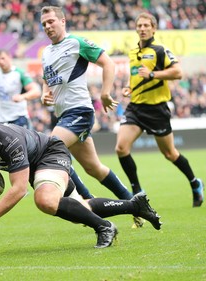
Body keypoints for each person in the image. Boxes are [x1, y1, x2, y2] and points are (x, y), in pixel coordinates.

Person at [0, 102, 162, 249]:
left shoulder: (8, 140)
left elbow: (19, 189)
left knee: (45, 200)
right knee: (82, 208)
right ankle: (136, 206)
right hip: (34, 166)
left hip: (50, 153)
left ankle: (104, 227)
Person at [40, 7, 135, 209]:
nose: (47, 26)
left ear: (63, 21)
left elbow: (108, 63)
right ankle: (135, 203)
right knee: (94, 168)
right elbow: (46, 78)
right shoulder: (46, 52)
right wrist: (44, 92)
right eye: (44, 24)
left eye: (51, 21)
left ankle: (86, 202)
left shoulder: (77, 42)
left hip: (79, 112)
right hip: (62, 116)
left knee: (51, 150)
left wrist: (105, 93)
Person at [115, 12, 204, 207]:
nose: (143, 28)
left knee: (170, 153)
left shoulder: (161, 49)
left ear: (154, 28)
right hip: (136, 108)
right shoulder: (132, 52)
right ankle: (137, 191)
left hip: (157, 110)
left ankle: (195, 182)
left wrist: (153, 74)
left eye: (147, 25)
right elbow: (136, 76)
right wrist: (130, 87)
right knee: (121, 148)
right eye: (140, 25)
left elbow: (178, 72)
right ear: (136, 28)